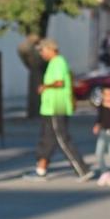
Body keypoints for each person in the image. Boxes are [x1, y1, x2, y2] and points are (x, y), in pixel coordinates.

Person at [31, 38, 90, 181]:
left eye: (42, 50)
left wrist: (45, 87)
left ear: (51, 49)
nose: (41, 54)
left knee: (62, 139)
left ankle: (82, 169)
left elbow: (59, 82)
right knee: (47, 138)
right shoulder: (53, 63)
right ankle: (41, 169)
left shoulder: (58, 62)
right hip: (50, 108)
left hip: (57, 106)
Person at [92, 87, 110, 186]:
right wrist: (97, 125)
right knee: (98, 152)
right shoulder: (101, 105)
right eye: (105, 94)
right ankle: (104, 172)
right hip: (103, 131)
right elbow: (99, 117)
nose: (107, 96)